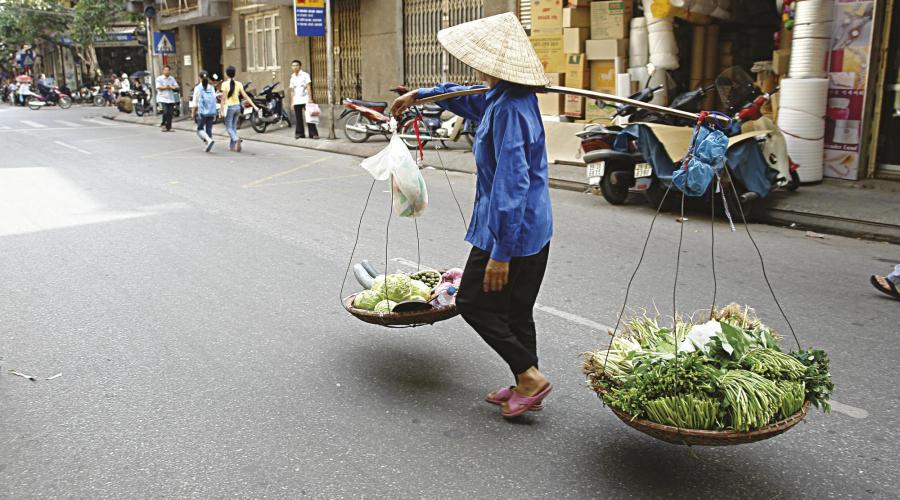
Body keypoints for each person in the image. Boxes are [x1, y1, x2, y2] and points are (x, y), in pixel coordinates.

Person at [390, 13, 553, 419]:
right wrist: (420, 95)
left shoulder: (512, 109)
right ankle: (524, 381)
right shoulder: (501, 96)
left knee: (473, 302)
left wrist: (500, 252)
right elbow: (465, 96)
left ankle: (530, 377)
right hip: (527, 227)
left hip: (511, 230)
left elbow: (512, 185)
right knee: (517, 309)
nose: (476, 66)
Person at [219, 65, 259, 152]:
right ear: (234, 74)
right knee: (233, 127)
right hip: (237, 107)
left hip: (229, 108)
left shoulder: (224, 84)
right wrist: (254, 106)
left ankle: (236, 139)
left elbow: (223, 98)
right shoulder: (239, 84)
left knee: (228, 127)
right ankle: (232, 146)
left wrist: (221, 110)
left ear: (226, 74)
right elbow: (246, 96)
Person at [289, 59, 318, 139]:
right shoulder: (292, 77)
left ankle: (313, 134)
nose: (295, 67)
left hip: (305, 99)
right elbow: (292, 91)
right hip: (297, 100)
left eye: (296, 65)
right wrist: (292, 103)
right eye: (293, 66)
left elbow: (308, 87)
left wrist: (310, 98)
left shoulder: (305, 75)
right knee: (298, 118)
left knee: (309, 117)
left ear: (300, 66)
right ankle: (300, 133)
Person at [191, 70, 217, 152]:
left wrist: (193, 113)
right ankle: (208, 144)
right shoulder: (212, 87)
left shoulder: (198, 88)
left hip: (202, 112)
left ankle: (208, 141)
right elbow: (214, 99)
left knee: (199, 129)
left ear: (199, 77)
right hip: (211, 112)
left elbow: (194, 102)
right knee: (209, 129)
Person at [156, 65, 178, 132]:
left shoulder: (172, 78)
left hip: (170, 98)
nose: (167, 71)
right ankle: (164, 124)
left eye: (168, 70)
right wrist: (167, 87)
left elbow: (176, 86)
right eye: (165, 70)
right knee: (165, 112)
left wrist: (170, 87)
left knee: (170, 113)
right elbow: (159, 87)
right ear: (163, 71)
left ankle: (169, 127)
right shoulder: (159, 78)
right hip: (162, 98)